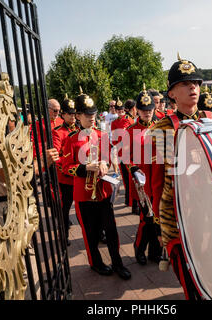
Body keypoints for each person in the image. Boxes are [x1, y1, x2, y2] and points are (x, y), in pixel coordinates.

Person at [148, 55, 204, 300]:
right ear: (171, 94)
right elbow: (158, 179)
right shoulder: (162, 129)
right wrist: (160, 221)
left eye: (195, 82)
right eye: (184, 84)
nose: (192, 87)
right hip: (180, 211)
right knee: (190, 278)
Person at [61, 90, 131, 280]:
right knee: (90, 233)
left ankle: (118, 263)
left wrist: (104, 164)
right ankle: (96, 263)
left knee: (111, 230)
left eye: (93, 114)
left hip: (103, 192)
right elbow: (66, 167)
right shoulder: (71, 140)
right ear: (78, 116)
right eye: (87, 114)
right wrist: (85, 168)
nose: (92, 118)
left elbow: (108, 157)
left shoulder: (102, 135)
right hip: (84, 194)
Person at [125, 86, 161, 265]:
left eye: (150, 110)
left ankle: (155, 252)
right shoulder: (130, 130)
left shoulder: (162, 126)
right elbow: (125, 157)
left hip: (159, 179)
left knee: (157, 217)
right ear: (137, 110)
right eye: (143, 110)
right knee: (146, 219)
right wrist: (133, 169)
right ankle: (139, 249)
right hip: (141, 182)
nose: (147, 113)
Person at [52, 95, 80, 246]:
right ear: (63, 115)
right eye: (70, 113)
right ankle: (63, 236)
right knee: (65, 208)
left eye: (74, 113)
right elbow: (56, 156)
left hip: (81, 175)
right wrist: (69, 169)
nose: (73, 116)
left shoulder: (79, 129)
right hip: (66, 177)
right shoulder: (58, 132)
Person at [111, 98, 135, 210]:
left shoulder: (129, 119)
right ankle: (128, 199)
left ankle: (133, 201)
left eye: (121, 110)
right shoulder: (114, 122)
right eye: (118, 110)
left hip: (131, 152)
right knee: (125, 177)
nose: (120, 112)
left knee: (132, 177)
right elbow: (114, 138)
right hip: (121, 151)